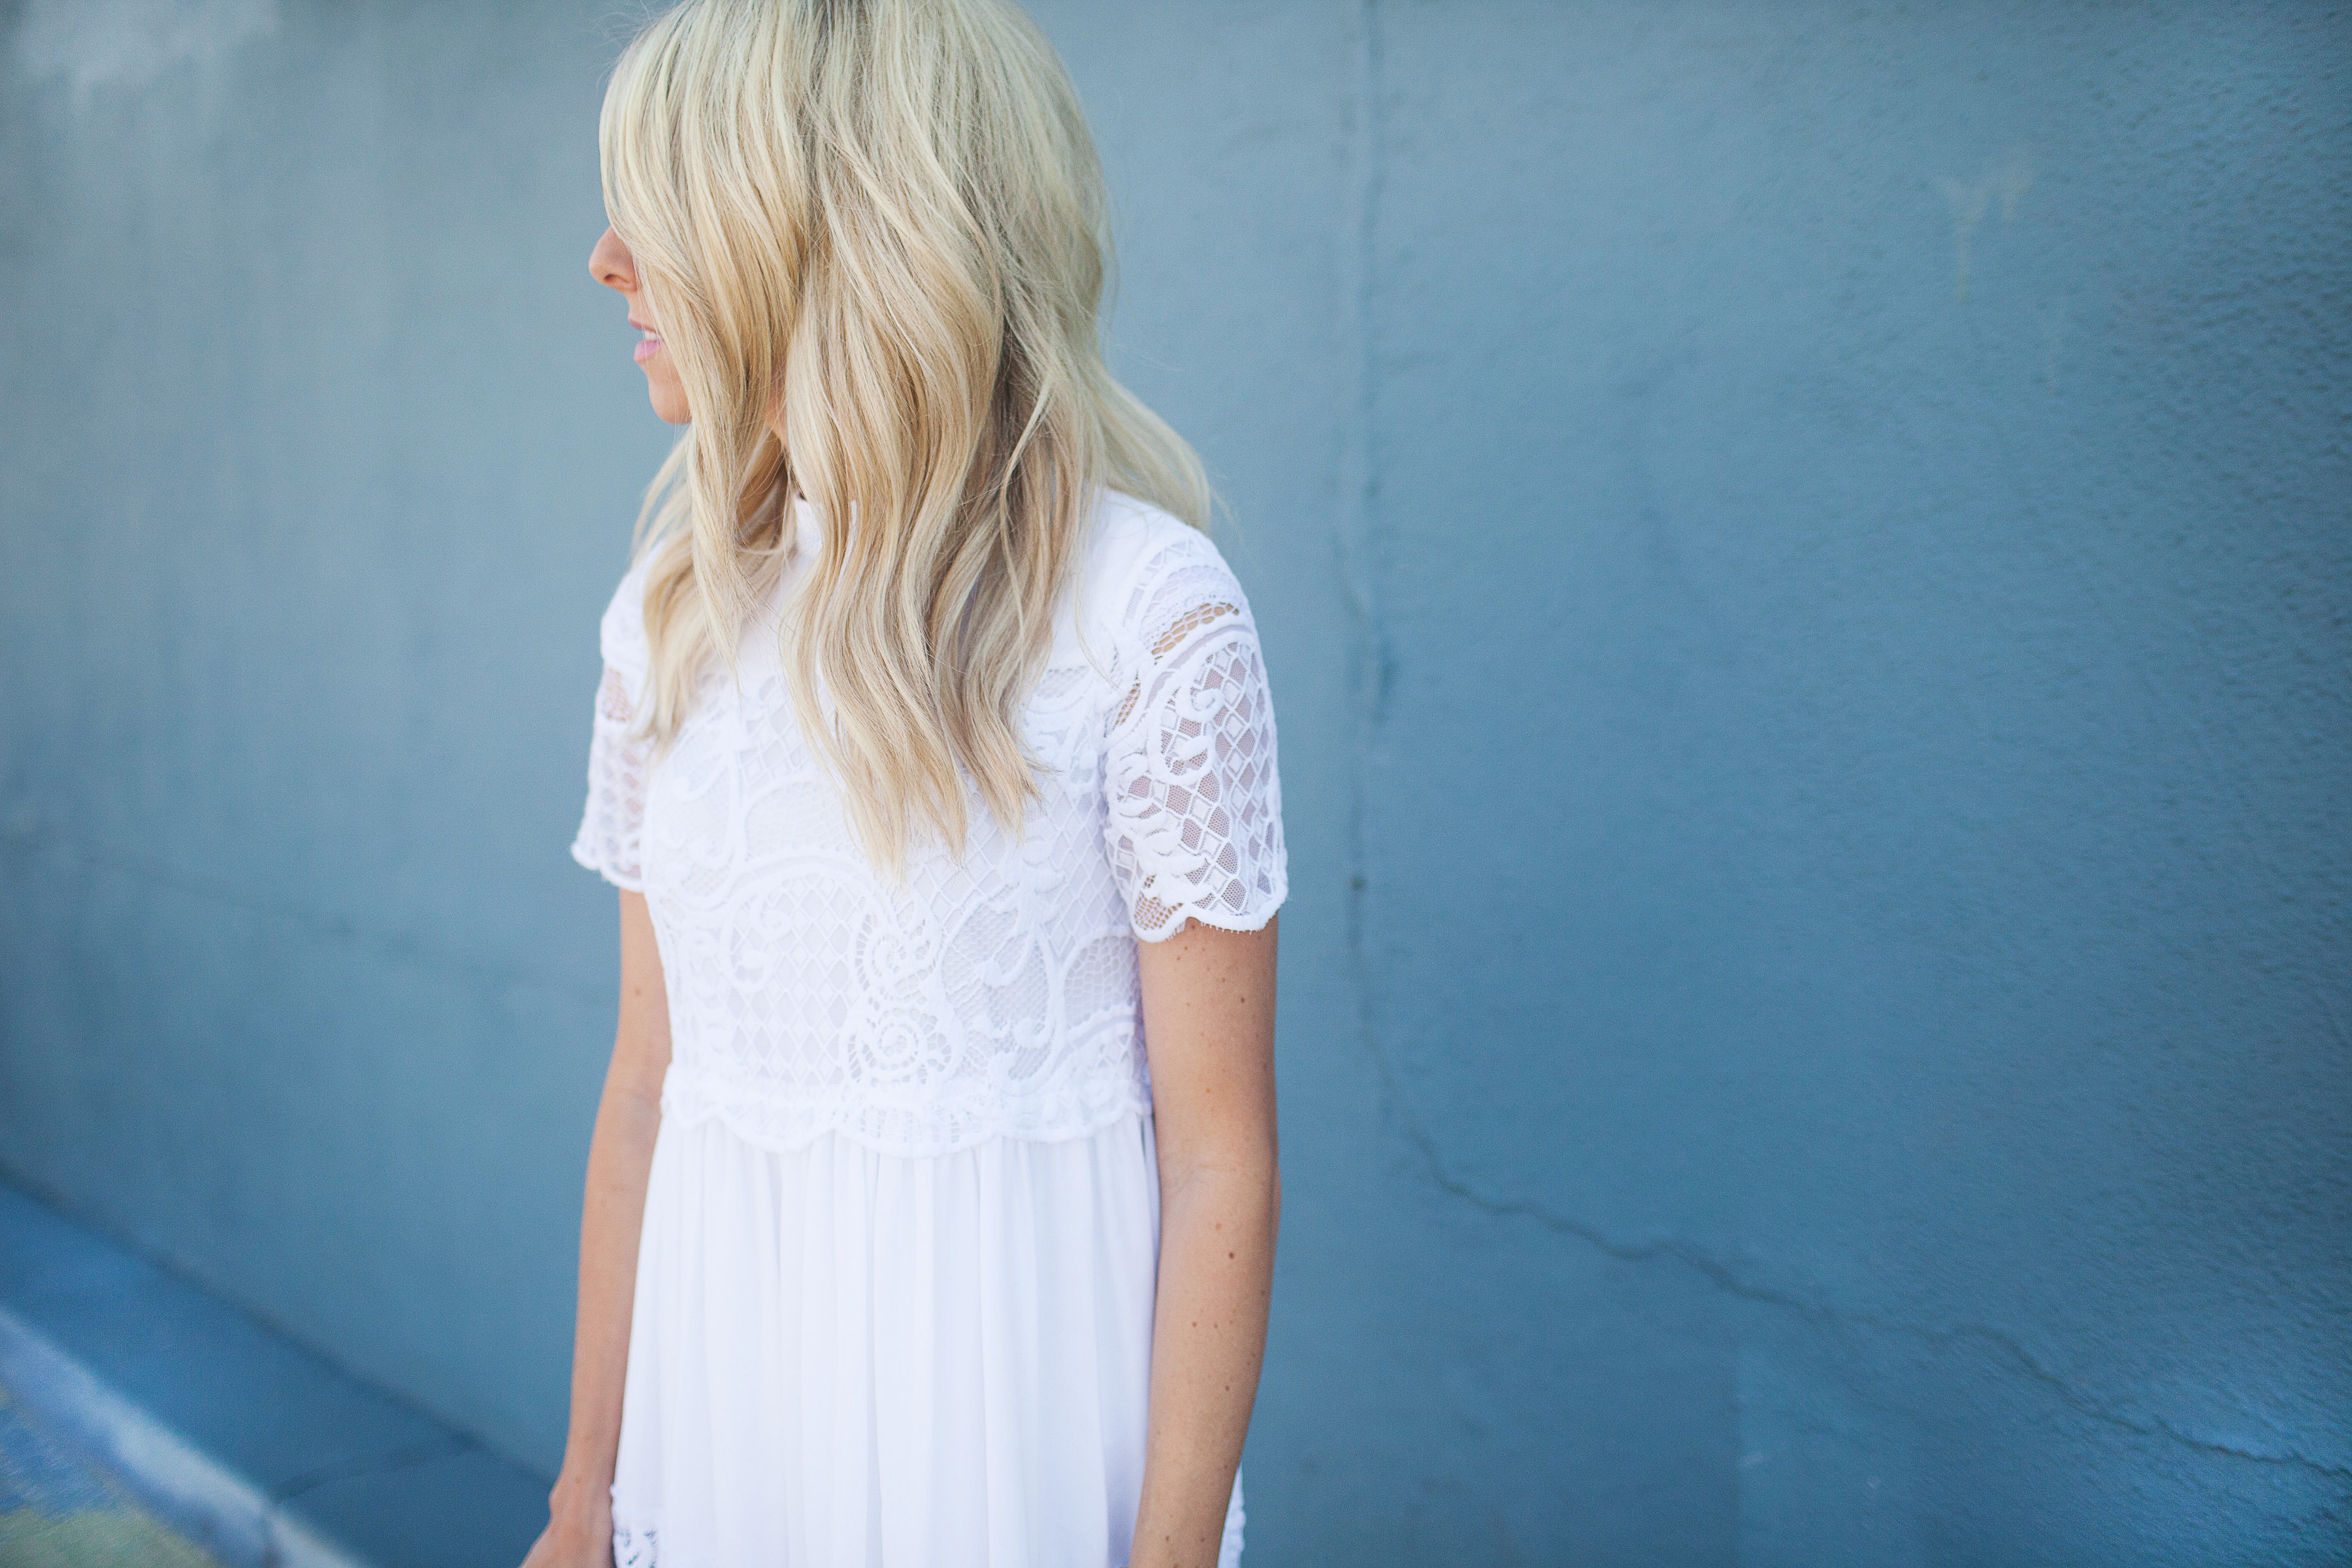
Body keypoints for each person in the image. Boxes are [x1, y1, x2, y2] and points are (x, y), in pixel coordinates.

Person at [517, 1, 1286, 1564]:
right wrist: (584, 1500)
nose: (606, 258)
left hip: (1018, 1471)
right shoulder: (669, 622)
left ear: (825, 226)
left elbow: (1223, 1155)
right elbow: (645, 1096)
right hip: (725, 1448)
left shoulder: (1148, 618)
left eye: (660, 206)